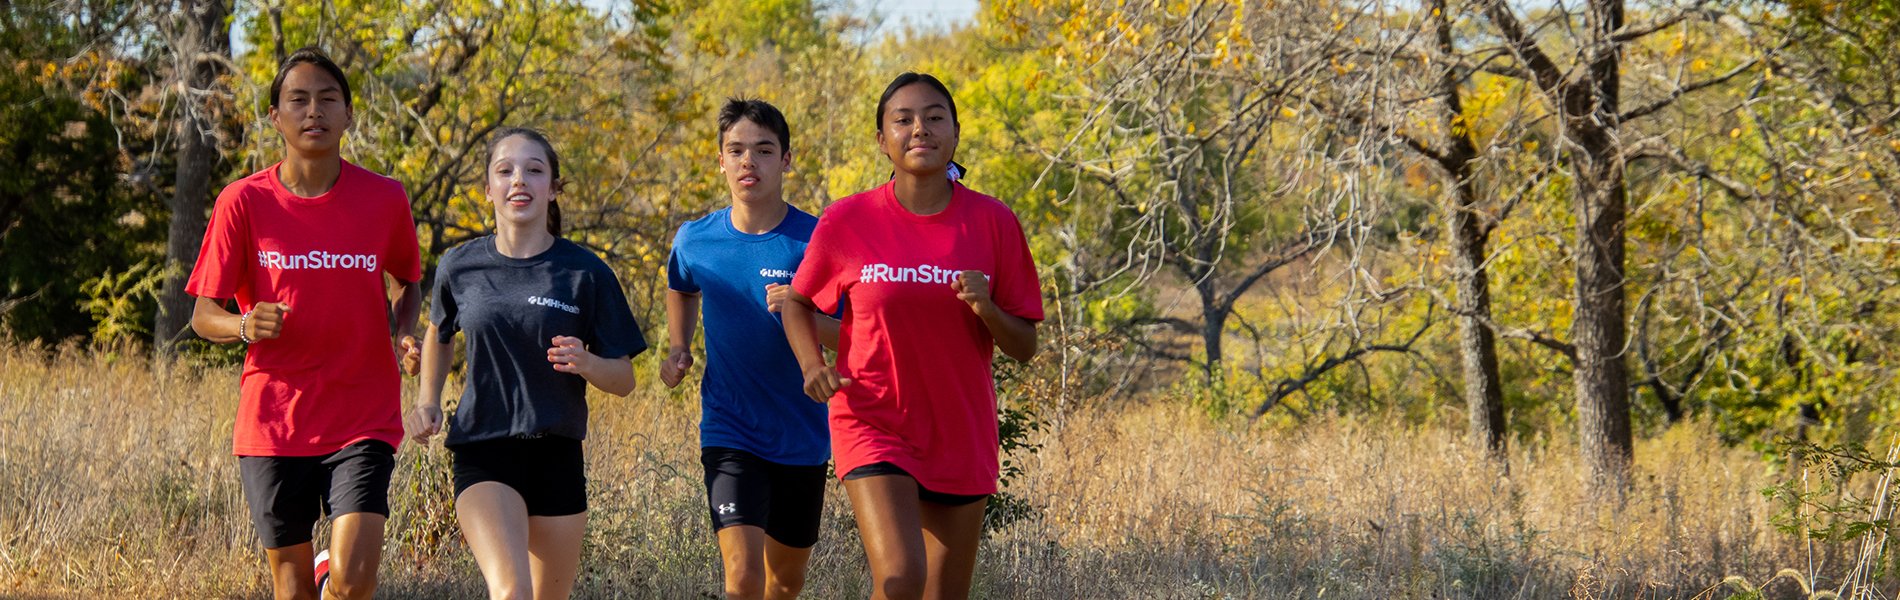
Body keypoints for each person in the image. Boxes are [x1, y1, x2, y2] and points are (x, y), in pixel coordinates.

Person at [782, 73, 1044, 600]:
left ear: (955, 133)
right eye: (902, 119)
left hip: (959, 431)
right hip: (873, 420)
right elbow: (797, 301)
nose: (918, 128)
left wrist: (987, 308)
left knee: (943, 595)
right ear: (883, 140)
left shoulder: (992, 222)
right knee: (901, 578)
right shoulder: (848, 220)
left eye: (934, 116)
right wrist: (813, 366)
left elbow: (1025, 345)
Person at [187, 47, 423, 600]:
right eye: (298, 99)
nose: (313, 111)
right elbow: (203, 315)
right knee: (291, 591)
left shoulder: (385, 198)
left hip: (362, 410)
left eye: (327, 99)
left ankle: (333, 578)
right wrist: (244, 326)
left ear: (347, 116)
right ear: (276, 116)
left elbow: (407, 281)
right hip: (274, 418)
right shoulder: (242, 202)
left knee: (354, 584)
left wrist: (402, 331)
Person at [407, 127, 647, 599]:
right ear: (488, 188)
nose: (520, 180)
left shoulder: (586, 272)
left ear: (553, 187)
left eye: (534, 170)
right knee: (511, 591)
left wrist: (586, 362)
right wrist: (428, 400)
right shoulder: (461, 265)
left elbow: (624, 380)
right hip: (483, 448)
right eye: (506, 171)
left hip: (557, 453)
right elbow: (439, 330)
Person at [661, 98, 841, 600]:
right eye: (736, 150)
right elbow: (682, 284)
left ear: (785, 159)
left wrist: (801, 311)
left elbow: (853, 337)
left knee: (785, 582)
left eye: (763, 150)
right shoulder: (696, 239)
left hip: (803, 433)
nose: (748, 162)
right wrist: (679, 345)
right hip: (729, 429)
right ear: (720, 160)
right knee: (742, 579)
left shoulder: (817, 240)